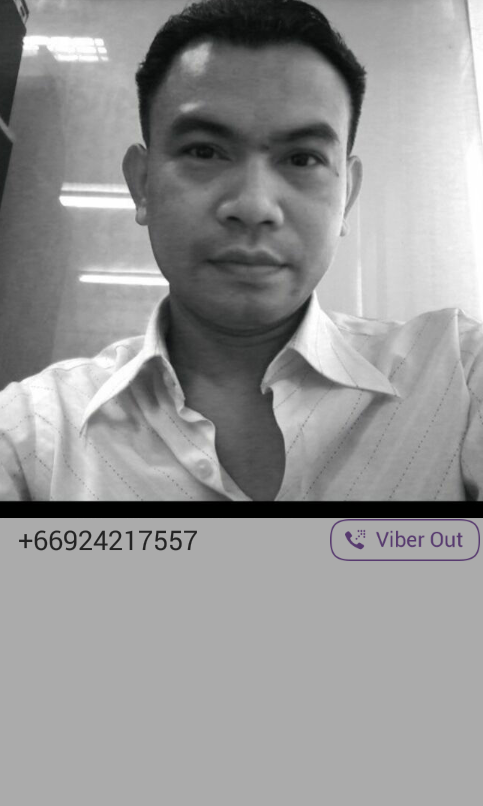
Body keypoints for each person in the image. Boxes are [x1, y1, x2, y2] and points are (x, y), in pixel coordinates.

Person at [0, 0, 482, 502]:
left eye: (302, 158)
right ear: (141, 184)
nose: (253, 206)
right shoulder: (30, 434)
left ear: (347, 196)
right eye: (204, 151)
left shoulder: (460, 376)